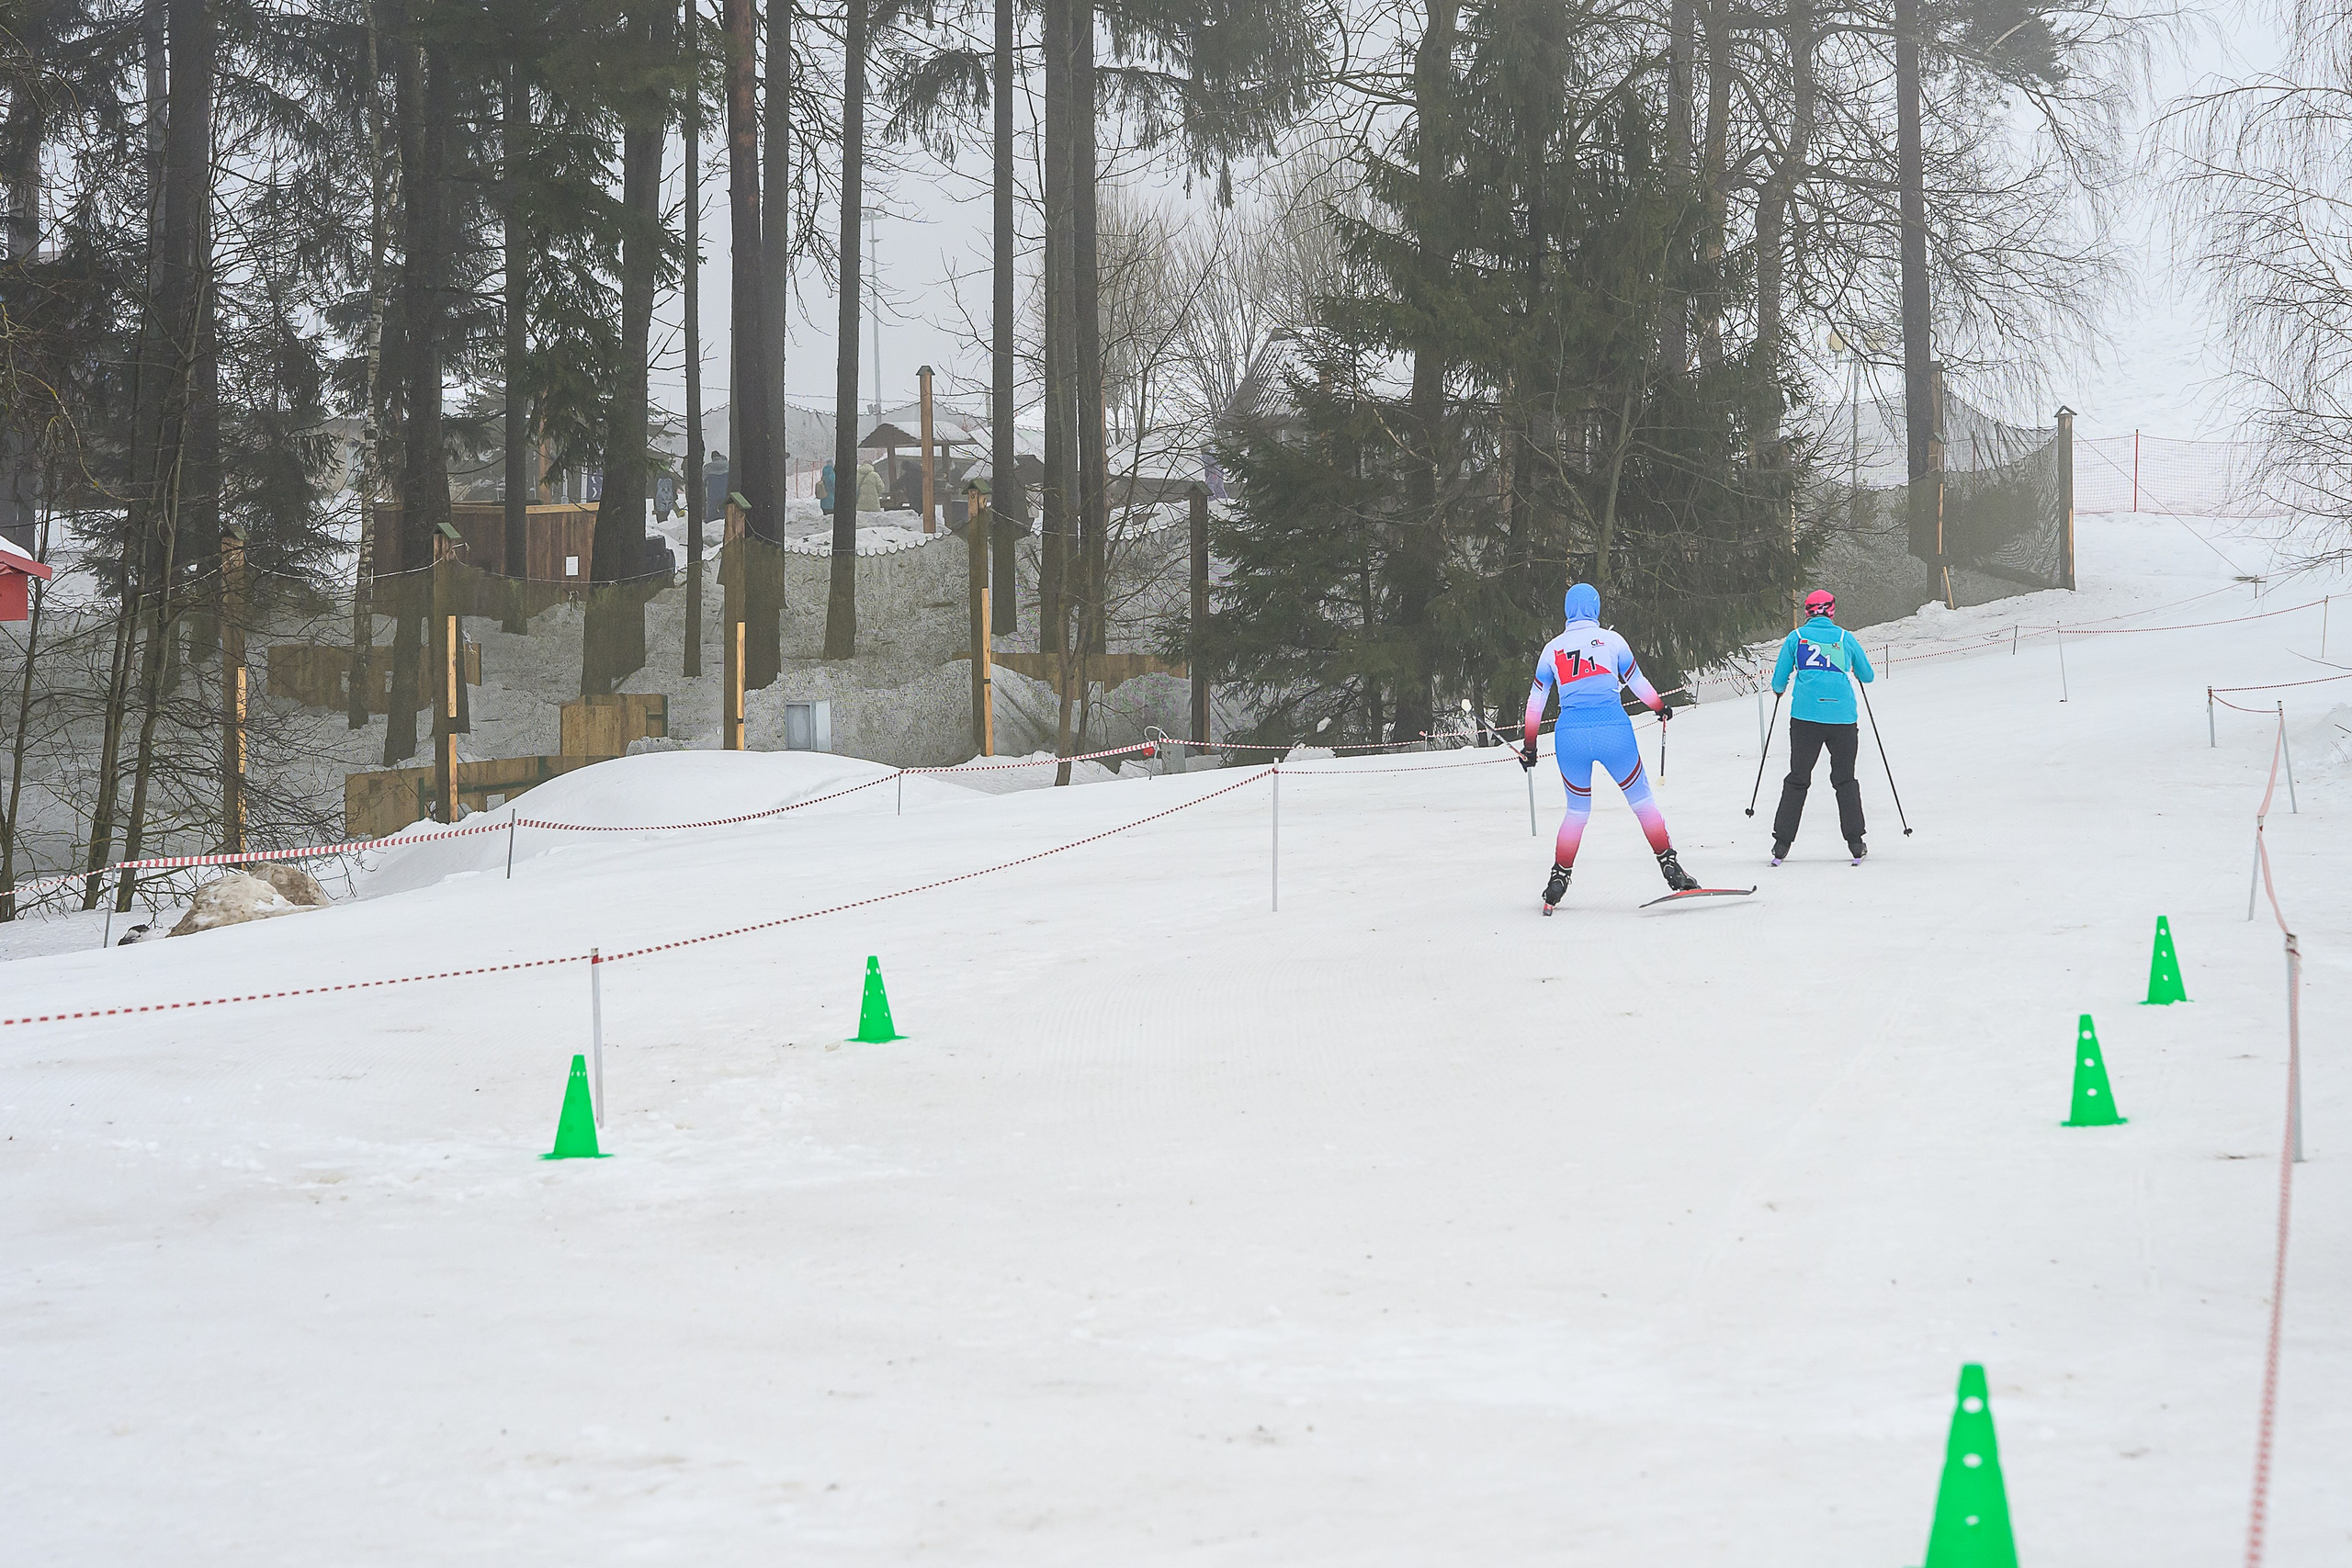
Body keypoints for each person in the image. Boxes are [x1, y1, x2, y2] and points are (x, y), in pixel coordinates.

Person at [1521, 581, 1700, 911]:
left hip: (1570, 734)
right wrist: (1659, 707)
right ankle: (1670, 865)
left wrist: (1530, 746)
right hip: (1613, 729)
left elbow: (1536, 702)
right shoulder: (1613, 641)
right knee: (1642, 799)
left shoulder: (1552, 648)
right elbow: (1637, 683)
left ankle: (1559, 877)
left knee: (1576, 811)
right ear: (1596, 608)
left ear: (1566, 610)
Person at [1768, 588, 1877, 863]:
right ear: (1832, 611)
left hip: (1805, 719)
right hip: (1842, 719)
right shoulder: (1844, 637)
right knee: (1844, 778)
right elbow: (1868, 675)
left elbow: (1779, 681)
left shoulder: (1797, 637)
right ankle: (1855, 842)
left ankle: (1782, 843)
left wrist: (1780, 690)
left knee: (1798, 777)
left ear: (1807, 613)